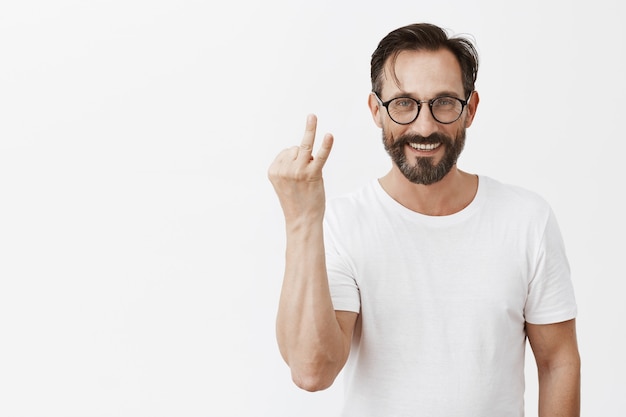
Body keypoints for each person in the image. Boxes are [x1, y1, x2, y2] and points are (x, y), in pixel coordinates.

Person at [267, 22, 580, 417]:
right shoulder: (344, 224)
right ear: (375, 111)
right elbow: (312, 371)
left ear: (471, 110)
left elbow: (557, 362)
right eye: (403, 103)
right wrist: (302, 222)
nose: (425, 126)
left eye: (444, 102)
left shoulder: (527, 220)